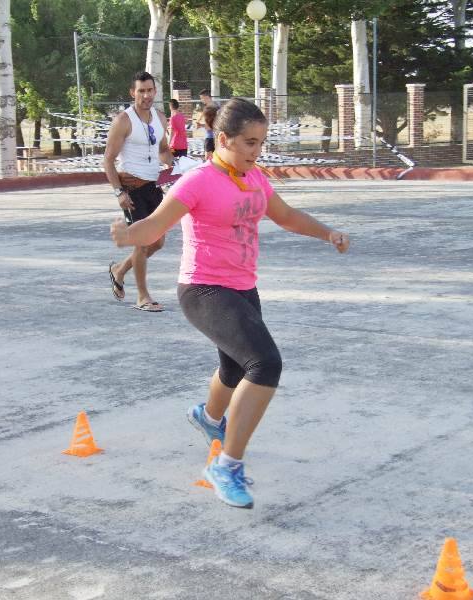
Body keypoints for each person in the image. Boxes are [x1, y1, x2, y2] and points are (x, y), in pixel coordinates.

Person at [110, 98, 350, 508]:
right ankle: (227, 466)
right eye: (249, 143)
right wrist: (128, 235)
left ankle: (206, 418)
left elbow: (286, 216)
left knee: (235, 367)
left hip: (243, 287)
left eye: (261, 142)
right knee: (265, 363)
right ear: (223, 139)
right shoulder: (198, 181)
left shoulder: (254, 178)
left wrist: (327, 232)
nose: (257, 152)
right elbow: (156, 225)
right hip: (203, 289)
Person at [104, 71, 174, 312]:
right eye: (141, 91)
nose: (146, 95)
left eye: (150, 90)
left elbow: (163, 148)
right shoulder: (124, 120)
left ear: (155, 91)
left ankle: (119, 270)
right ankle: (143, 297)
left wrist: (172, 164)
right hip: (131, 188)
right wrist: (118, 193)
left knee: (158, 242)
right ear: (132, 93)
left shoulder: (161, 118)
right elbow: (108, 159)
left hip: (153, 187)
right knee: (143, 243)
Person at [196, 89, 218, 160]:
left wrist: (201, 125)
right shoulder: (217, 107)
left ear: (207, 97)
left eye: (202, 98)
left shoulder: (209, 109)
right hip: (217, 137)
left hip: (210, 137)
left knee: (208, 159)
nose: (201, 100)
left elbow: (209, 127)